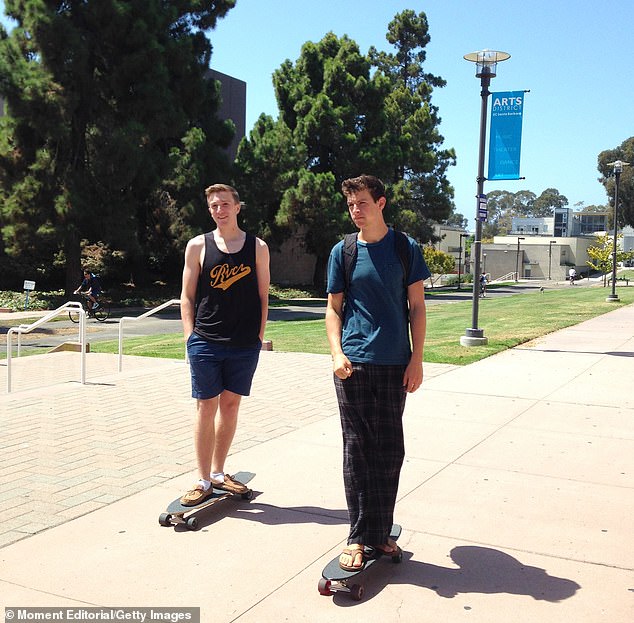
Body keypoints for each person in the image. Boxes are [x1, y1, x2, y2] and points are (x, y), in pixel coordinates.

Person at [325, 174, 430, 572]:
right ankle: (356, 536)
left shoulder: (405, 248)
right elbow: (334, 309)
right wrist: (336, 353)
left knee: (389, 451)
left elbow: (417, 307)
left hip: (393, 364)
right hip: (351, 365)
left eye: (363, 203)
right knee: (357, 449)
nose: (356, 210)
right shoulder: (343, 251)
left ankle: (381, 531)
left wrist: (417, 358)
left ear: (381, 203)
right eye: (351, 205)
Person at [179, 183, 270, 505]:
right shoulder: (197, 246)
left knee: (230, 406)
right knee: (206, 406)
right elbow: (187, 296)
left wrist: (258, 336)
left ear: (237, 207)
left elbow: (263, 296)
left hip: (244, 343)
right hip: (205, 341)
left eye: (225, 204)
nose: (220, 210)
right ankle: (202, 479)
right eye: (214, 206)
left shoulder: (257, 247)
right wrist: (190, 335)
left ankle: (219, 473)